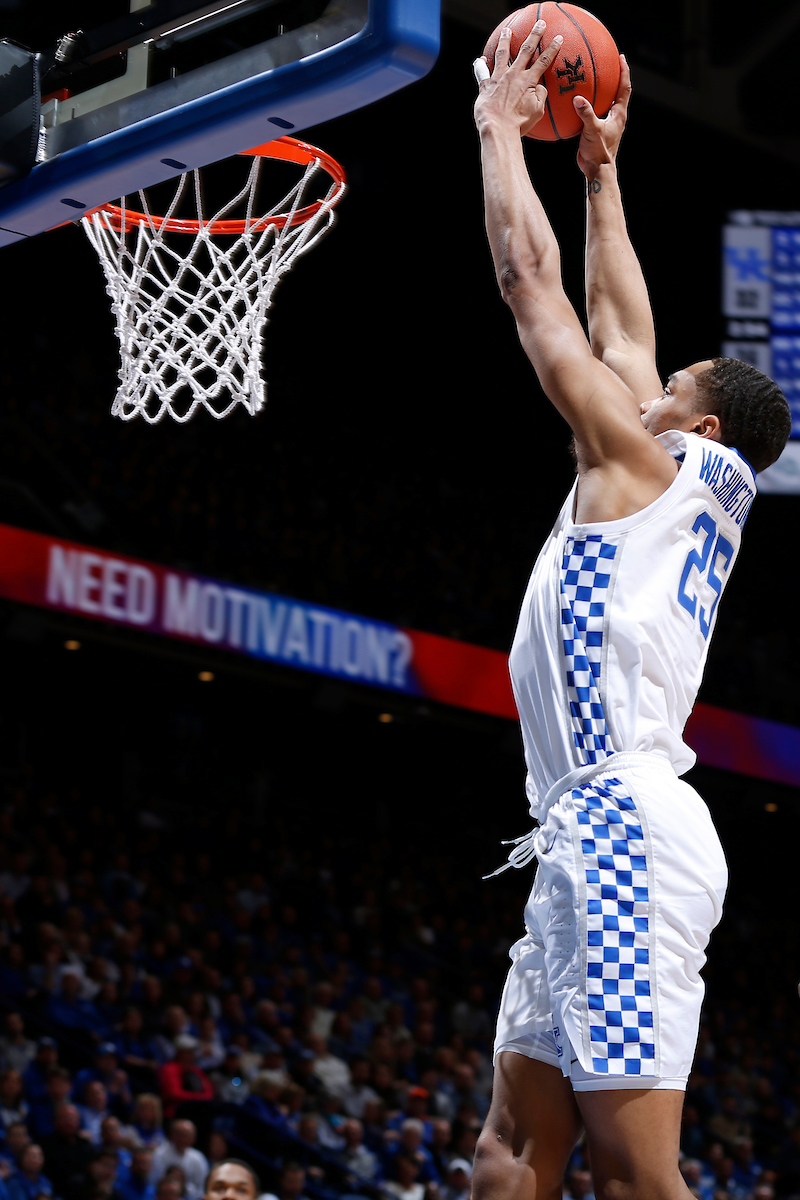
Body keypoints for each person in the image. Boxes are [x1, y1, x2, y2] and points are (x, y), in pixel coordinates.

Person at [472, 21, 791, 1200]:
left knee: (632, 1176)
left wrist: (496, 131)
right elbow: (619, 328)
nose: (640, 384)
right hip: (584, 828)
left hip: (625, 830)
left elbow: (533, 291)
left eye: (665, 388)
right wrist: (598, 177)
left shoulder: (643, 466)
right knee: (508, 1153)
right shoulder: (672, 476)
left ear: (694, 425)